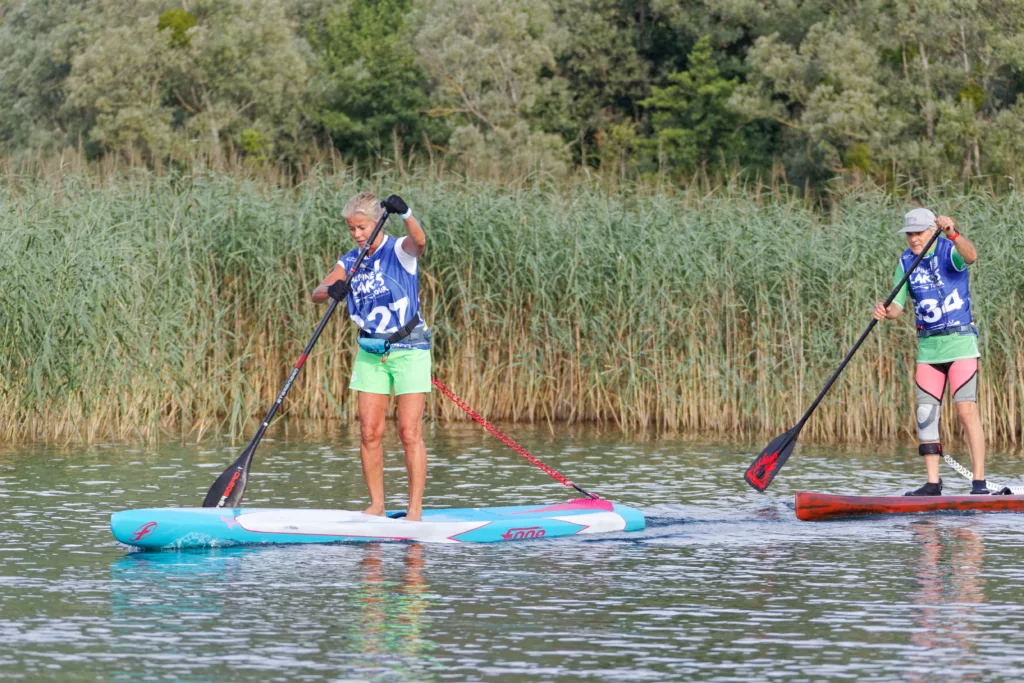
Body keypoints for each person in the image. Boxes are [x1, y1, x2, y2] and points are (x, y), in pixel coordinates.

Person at [311, 192, 431, 520]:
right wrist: (331, 291)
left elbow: (420, 242)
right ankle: (377, 506)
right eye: (351, 229)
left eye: (362, 227)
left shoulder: (399, 250)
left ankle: (414, 511)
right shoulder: (349, 261)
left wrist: (405, 211)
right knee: (369, 433)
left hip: (409, 350)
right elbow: (316, 294)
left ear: (377, 222)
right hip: (370, 353)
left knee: (409, 431)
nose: (357, 235)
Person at [872, 208, 984, 496]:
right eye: (909, 234)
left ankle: (979, 484)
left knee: (965, 411)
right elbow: (898, 307)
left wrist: (953, 233)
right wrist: (886, 311)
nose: (912, 239)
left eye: (918, 233)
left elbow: (971, 256)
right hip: (929, 348)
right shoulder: (906, 261)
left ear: (931, 231)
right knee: (926, 413)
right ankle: (933, 484)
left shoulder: (950, 250)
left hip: (960, 345)